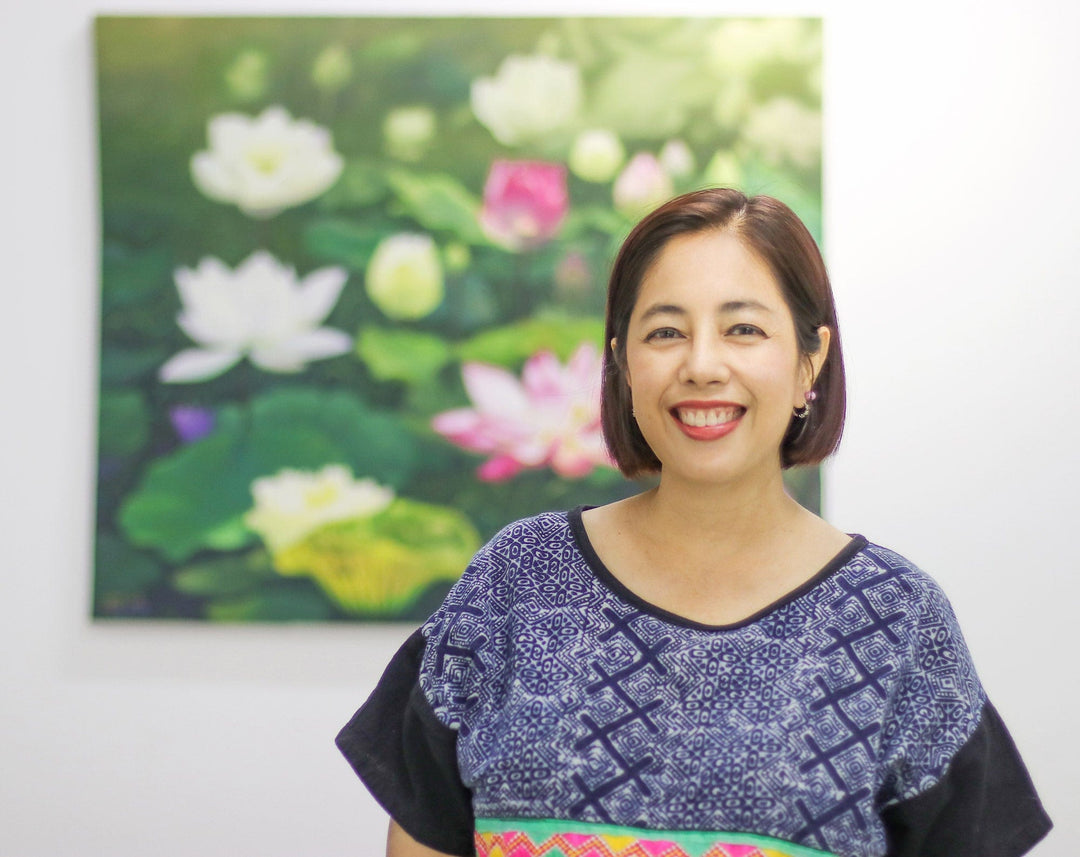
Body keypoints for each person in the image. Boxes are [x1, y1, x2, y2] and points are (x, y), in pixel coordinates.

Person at [336, 188, 1052, 857]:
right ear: (621, 363)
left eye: (743, 328)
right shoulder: (514, 580)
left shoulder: (896, 618)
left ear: (811, 360)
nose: (702, 365)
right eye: (666, 331)